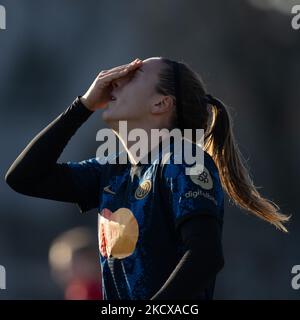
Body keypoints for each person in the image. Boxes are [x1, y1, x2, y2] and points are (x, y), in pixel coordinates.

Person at [5, 57, 289, 300]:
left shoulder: (182, 159)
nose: (115, 81)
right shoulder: (111, 169)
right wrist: (82, 106)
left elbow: (205, 256)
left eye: (132, 75)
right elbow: (24, 177)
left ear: (161, 103)